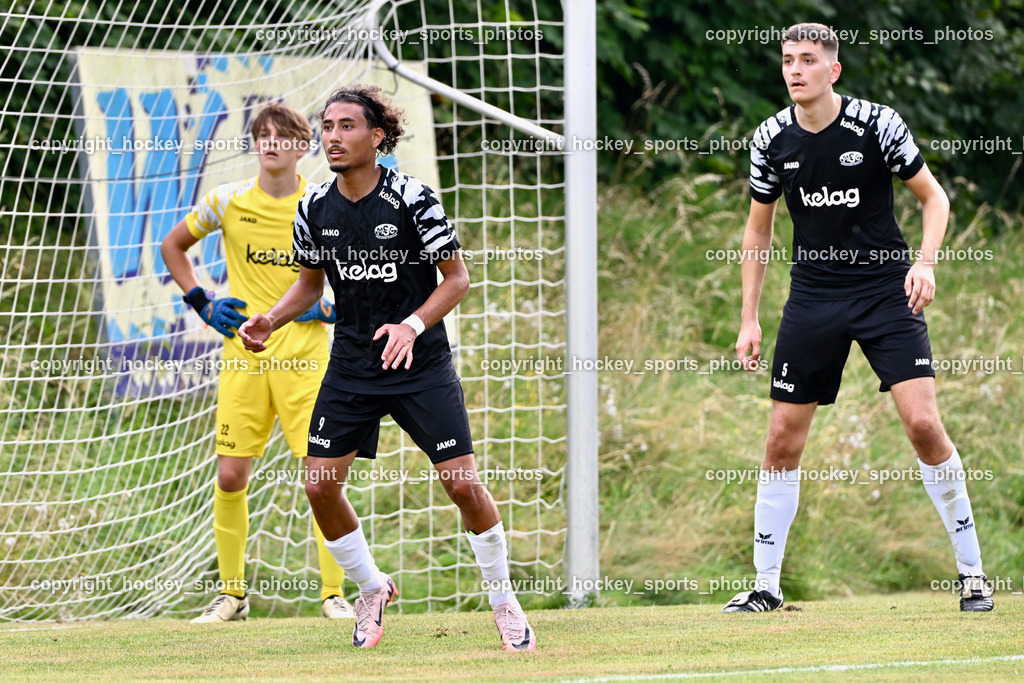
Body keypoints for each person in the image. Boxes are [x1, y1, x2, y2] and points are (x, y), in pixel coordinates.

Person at [237, 84, 537, 651]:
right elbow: (309, 286)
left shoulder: (413, 198)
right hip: (352, 366)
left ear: (377, 136)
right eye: (327, 126)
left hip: (420, 364)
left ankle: (503, 599)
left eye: (347, 126)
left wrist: (412, 325)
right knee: (320, 486)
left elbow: (457, 280)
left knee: (462, 485)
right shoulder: (313, 205)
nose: (333, 136)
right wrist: (269, 321)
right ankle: (371, 588)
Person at [723, 23, 993, 613]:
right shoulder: (771, 139)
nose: (796, 70)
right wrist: (749, 318)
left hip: (883, 293)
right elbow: (758, 229)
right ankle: (766, 585)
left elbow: (935, 198)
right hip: (813, 298)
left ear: (833, 71)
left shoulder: (877, 124)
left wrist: (924, 263)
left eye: (809, 60)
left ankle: (972, 574)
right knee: (779, 441)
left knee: (923, 425)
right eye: (788, 60)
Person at [161, 102, 355, 622]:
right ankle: (231, 595)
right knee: (230, 476)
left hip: (307, 359)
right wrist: (201, 301)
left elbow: (354, 277)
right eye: (261, 135)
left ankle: (334, 595)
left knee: (322, 478)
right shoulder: (226, 201)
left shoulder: (322, 205)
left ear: (302, 145)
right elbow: (173, 246)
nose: (270, 142)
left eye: (282, 135)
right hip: (244, 360)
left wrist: (328, 306)